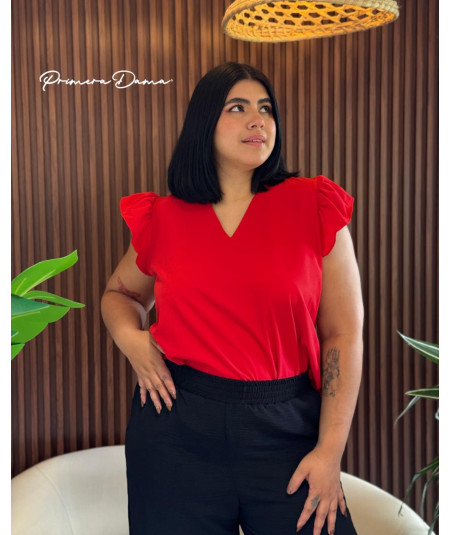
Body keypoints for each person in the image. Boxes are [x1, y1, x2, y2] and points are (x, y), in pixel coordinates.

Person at [101, 62, 363, 535]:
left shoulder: (314, 205)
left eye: (266, 109)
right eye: (237, 108)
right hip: (175, 427)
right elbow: (120, 295)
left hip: (288, 429)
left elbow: (343, 334)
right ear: (204, 122)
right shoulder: (165, 217)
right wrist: (131, 339)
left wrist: (330, 452)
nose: (258, 120)